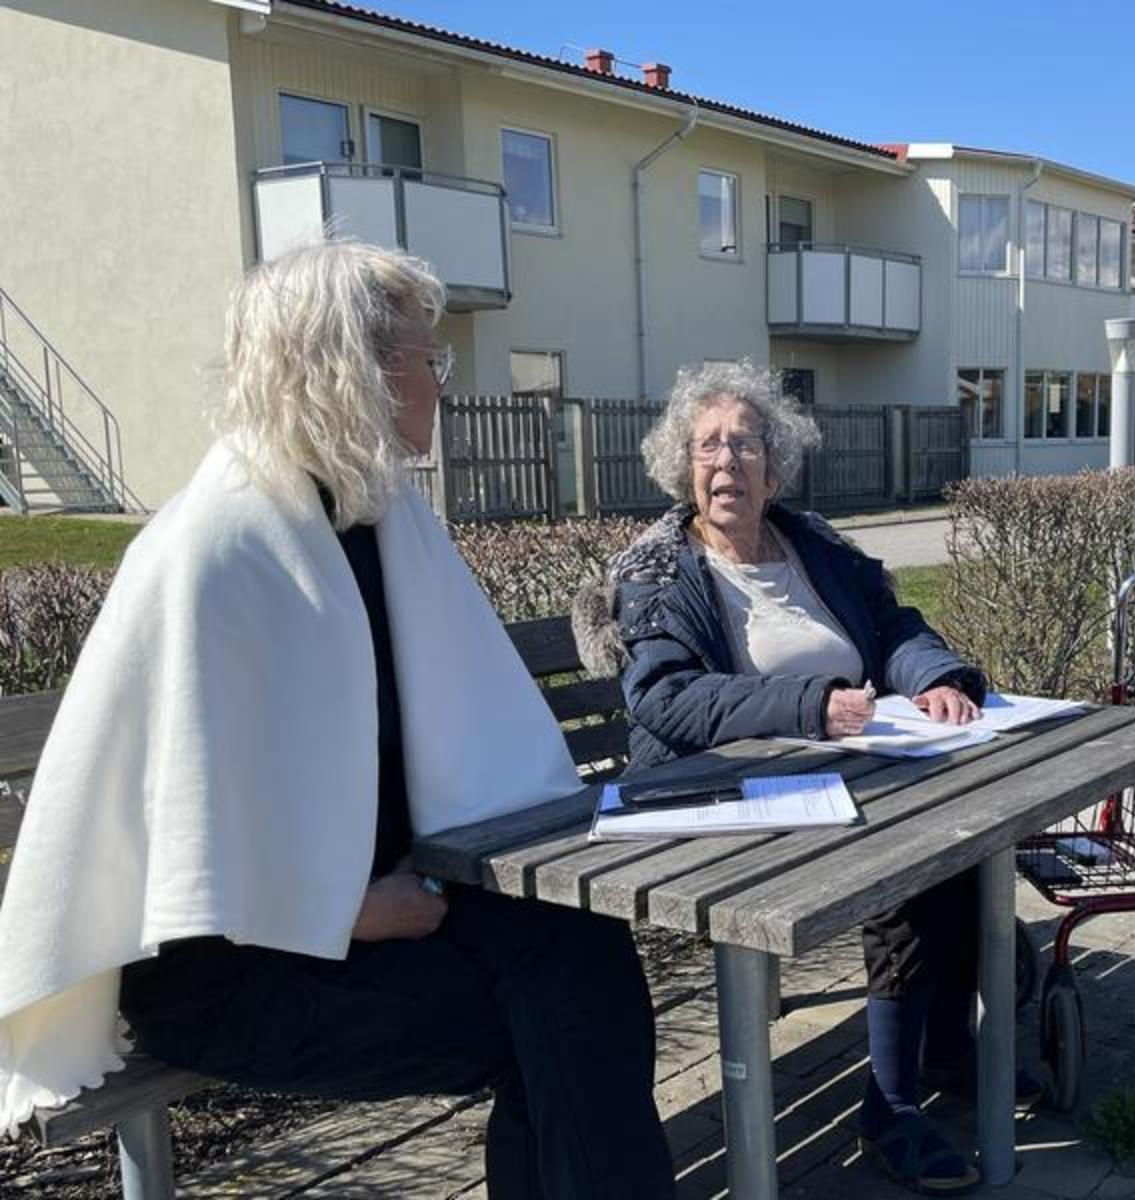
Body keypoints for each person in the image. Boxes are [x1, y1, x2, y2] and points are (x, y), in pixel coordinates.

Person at [0, 241, 676, 1197]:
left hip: (392, 896)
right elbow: (184, 843)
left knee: (587, 955)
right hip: (242, 973)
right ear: (349, 371)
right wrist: (348, 909)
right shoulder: (220, 547)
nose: (442, 384)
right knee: (565, 1027)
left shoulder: (371, 517)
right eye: (426, 361)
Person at [573, 360, 1028, 1197]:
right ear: (682, 463)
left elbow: (893, 625)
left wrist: (935, 678)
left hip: (849, 768)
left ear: (774, 465)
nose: (726, 463)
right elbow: (666, 699)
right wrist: (813, 706)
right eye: (708, 445)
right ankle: (890, 1105)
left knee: (968, 839)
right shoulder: (656, 570)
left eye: (745, 444)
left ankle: (952, 1058)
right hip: (718, 794)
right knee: (902, 866)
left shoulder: (811, 542)